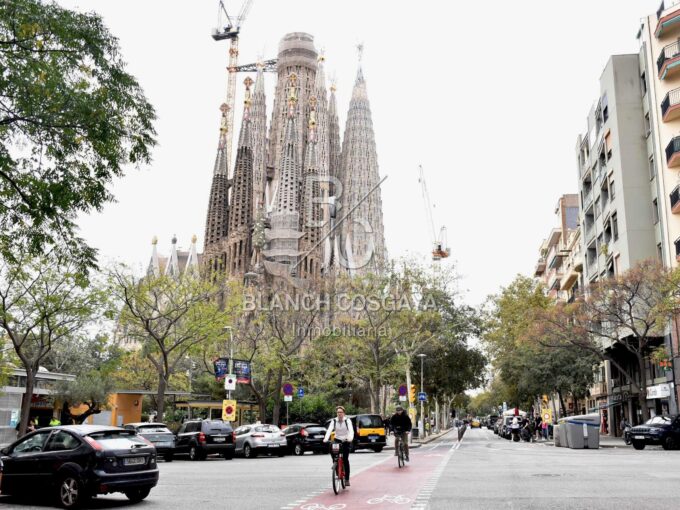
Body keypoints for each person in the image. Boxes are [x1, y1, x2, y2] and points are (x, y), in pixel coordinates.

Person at [323, 406, 354, 486]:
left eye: (341, 412)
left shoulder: (347, 420)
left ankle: (347, 479)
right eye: (338, 412)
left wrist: (350, 438)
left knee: (345, 459)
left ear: (344, 413)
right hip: (337, 439)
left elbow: (351, 430)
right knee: (332, 449)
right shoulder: (334, 421)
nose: (339, 414)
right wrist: (326, 438)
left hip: (346, 440)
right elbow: (329, 430)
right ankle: (335, 464)